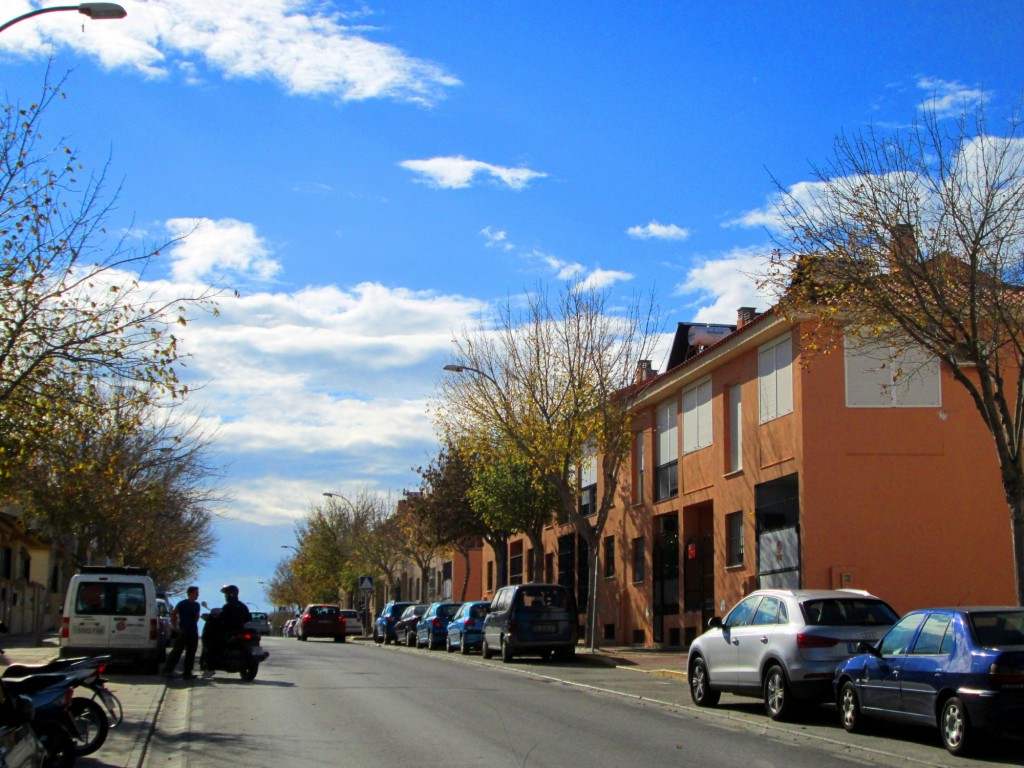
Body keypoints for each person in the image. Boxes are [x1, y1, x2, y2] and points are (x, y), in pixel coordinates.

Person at [200, 584, 251, 676]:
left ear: (230, 595)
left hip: (227, 632)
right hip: (239, 631)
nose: (225, 597)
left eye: (226, 595)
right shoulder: (243, 606)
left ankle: (210, 668)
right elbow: (248, 618)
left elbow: (219, 618)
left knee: (211, 645)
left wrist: (211, 618)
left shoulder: (228, 607)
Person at [162, 586, 201, 680]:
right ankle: (167, 671)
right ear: (190, 593)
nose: (197, 595)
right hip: (183, 631)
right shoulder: (183, 604)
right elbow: (173, 613)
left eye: (197, 593)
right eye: (196, 593)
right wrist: (175, 627)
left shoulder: (197, 605)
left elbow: (197, 616)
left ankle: (187, 673)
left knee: (191, 653)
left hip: (193, 632)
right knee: (177, 651)